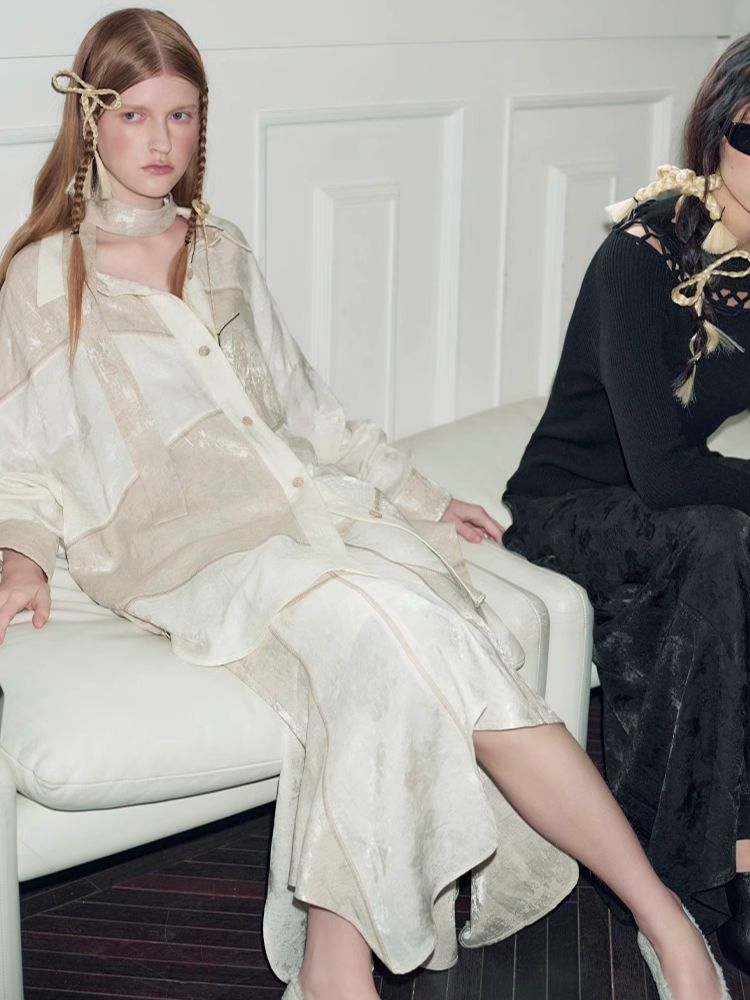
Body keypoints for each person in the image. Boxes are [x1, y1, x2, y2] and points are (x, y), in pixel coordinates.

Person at [0, 9, 730, 1000]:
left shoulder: (220, 248)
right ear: (91, 122)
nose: (160, 142)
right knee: (404, 623)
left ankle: (611, 926)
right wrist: (22, 552)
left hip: (314, 514)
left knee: (418, 641)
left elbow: (306, 409)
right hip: (193, 552)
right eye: (134, 116)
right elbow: (21, 450)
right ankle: (654, 919)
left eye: (181, 116)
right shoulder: (47, 275)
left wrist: (422, 497)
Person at [502, 31, 750, 979]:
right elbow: (664, 472)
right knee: (720, 536)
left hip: (675, 511)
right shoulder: (642, 253)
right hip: (569, 506)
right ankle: (701, 870)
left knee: (723, 539)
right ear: (714, 133)